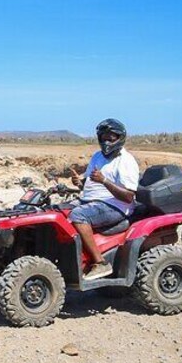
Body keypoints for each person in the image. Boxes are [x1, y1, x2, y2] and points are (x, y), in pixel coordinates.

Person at [68, 119, 140, 279]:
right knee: (59, 210)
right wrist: (79, 182)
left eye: (111, 137)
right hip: (91, 201)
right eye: (104, 137)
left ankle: (100, 263)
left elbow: (128, 196)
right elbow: (89, 184)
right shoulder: (97, 156)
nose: (107, 141)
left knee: (78, 215)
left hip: (116, 206)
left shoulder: (126, 161)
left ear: (120, 138)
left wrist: (104, 181)